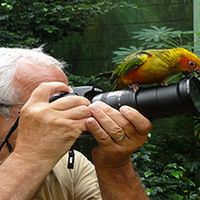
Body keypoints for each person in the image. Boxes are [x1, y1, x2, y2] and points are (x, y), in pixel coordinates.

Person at [0, 47, 152, 200]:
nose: (68, 111)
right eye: (52, 102)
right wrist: (29, 157)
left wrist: (115, 166)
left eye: (67, 98)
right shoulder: (42, 158)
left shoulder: (69, 166)